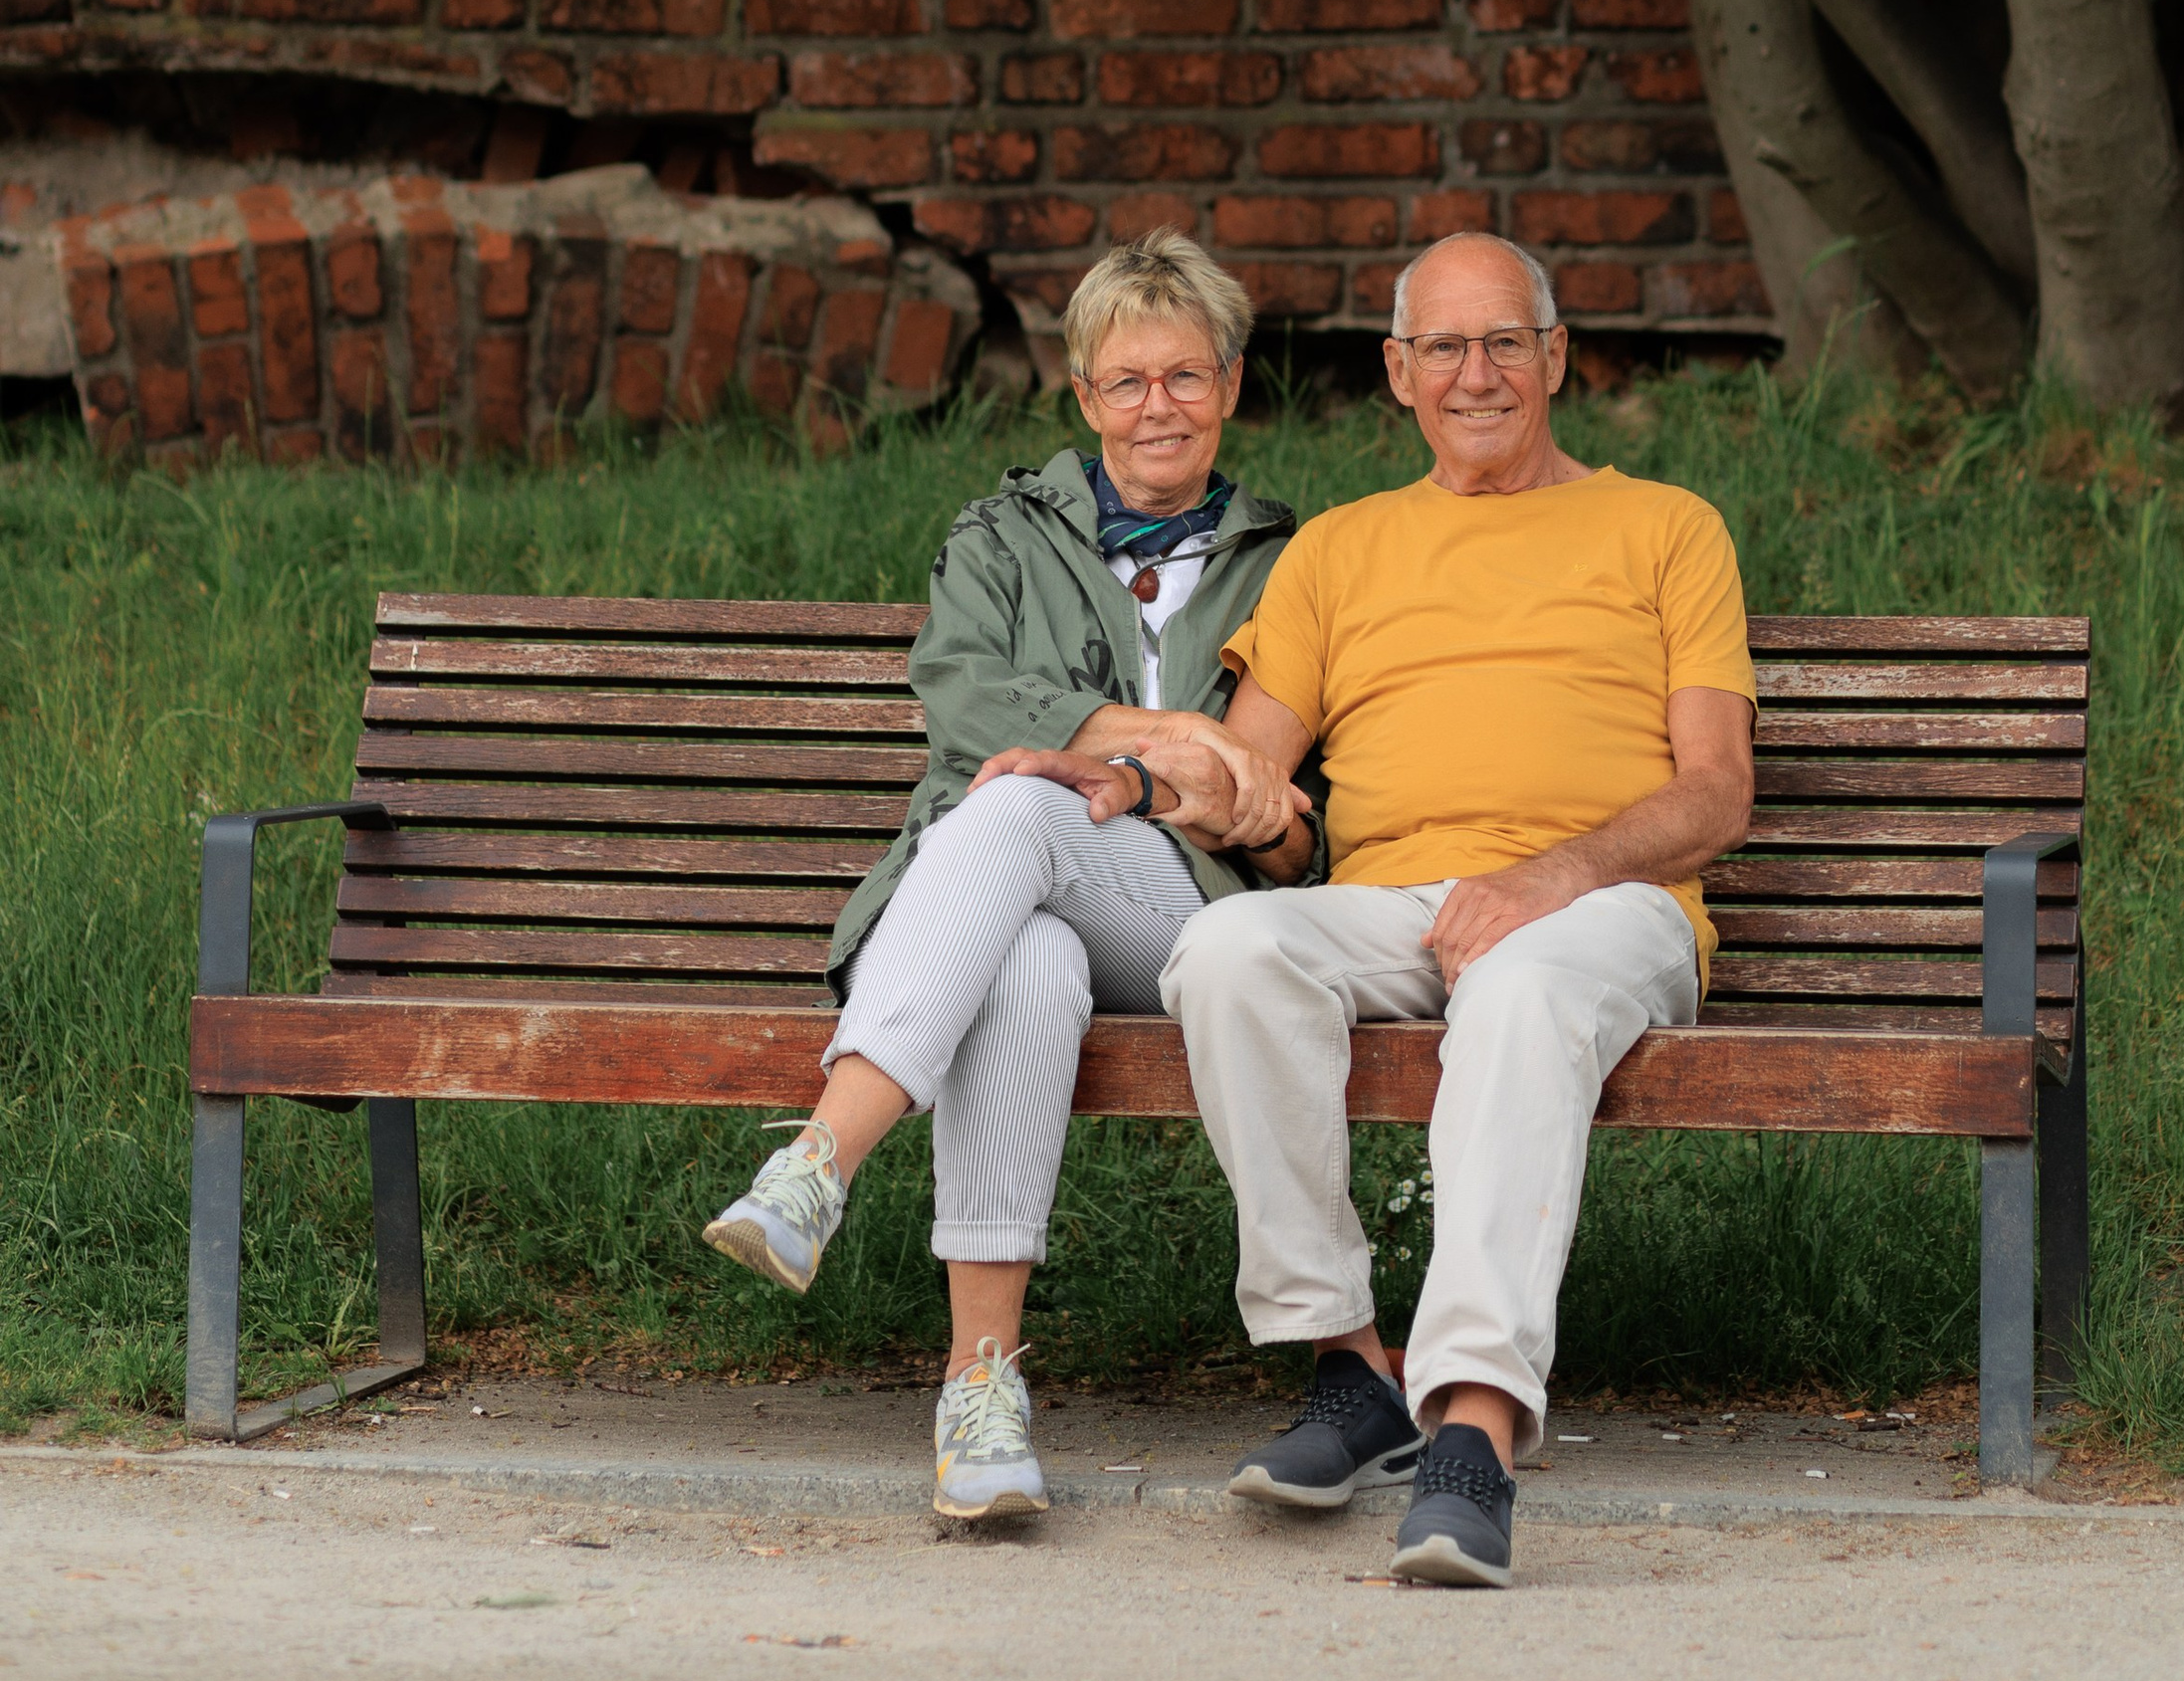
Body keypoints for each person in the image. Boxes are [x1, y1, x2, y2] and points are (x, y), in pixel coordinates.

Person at [1158, 231, 1756, 1589]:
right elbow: (1254, 771)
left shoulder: (1666, 527)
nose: (1475, 374)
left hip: (1608, 907)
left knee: (1525, 989)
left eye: (1505, 343)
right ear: (1396, 372)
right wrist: (1184, 789)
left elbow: (1718, 795)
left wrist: (1552, 877)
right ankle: (1349, 1364)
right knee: (1229, 949)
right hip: (1400, 905)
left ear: (1556, 356)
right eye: (1444, 347)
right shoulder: (1340, 551)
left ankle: (1473, 1430)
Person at [700, 229, 1313, 1522]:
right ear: (1082, 399)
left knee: (1026, 799)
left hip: (1186, 928)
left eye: (1186, 377)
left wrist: (1134, 772)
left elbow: (1298, 808)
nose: (1159, 408)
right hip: (992, 911)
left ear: (1234, 385)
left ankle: (821, 1160)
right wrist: (1172, 740)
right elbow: (967, 699)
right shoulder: (999, 535)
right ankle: (982, 1397)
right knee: (1026, 959)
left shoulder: (1295, 565)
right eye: (1127, 382)